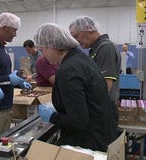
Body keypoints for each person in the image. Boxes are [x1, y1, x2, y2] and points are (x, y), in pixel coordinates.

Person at [36, 23, 117, 152]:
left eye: (43, 49)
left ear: (54, 46)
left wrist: (52, 117)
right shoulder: (80, 59)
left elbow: (78, 121)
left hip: (87, 143)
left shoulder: (68, 70)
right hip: (103, 132)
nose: (43, 55)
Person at [0, 12, 32, 140]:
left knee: (3, 144)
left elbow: (0, 73)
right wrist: (8, 79)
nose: (15, 34)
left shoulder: (1, 47)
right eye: (14, 31)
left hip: (6, 106)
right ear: (4, 28)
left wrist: (16, 81)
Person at [69, 16, 120, 126]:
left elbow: (106, 85)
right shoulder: (95, 49)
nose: (76, 41)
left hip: (103, 109)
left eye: (76, 36)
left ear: (89, 28)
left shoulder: (106, 47)